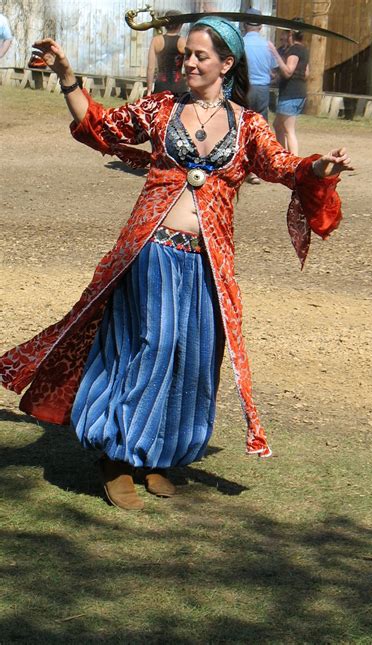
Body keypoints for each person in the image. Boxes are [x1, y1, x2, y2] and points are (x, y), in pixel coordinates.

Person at [0, 18, 353, 511]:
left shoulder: (248, 124)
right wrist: (66, 75)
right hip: (152, 249)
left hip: (208, 258)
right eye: (185, 55)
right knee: (154, 343)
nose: (187, 62)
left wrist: (319, 167)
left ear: (226, 65)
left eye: (200, 56)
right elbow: (100, 127)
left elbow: (282, 167)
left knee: (194, 357)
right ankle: (117, 456)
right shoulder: (162, 108)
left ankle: (158, 454)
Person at [242, 8, 276, 185]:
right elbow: (273, 72)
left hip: (245, 88)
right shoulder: (267, 45)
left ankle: (243, 167)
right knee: (260, 129)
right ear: (261, 26)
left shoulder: (240, 43)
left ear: (244, 24)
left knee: (243, 127)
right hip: (262, 89)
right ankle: (257, 169)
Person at [270, 23, 309, 156]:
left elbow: (288, 72)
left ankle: (294, 162)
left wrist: (275, 54)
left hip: (290, 95)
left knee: (288, 130)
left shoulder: (294, 50)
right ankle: (283, 156)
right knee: (278, 125)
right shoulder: (304, 50)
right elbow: (306, 73)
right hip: (299, 93)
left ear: (291, 34)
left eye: (285, 34)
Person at [146, 9, 186, 95]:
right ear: (180, 25)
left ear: (164, 24)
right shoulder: (184, 42)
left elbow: (150, 68)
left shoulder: (156, 40)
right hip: (179, 86)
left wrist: (149, 90)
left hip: (161, 85)